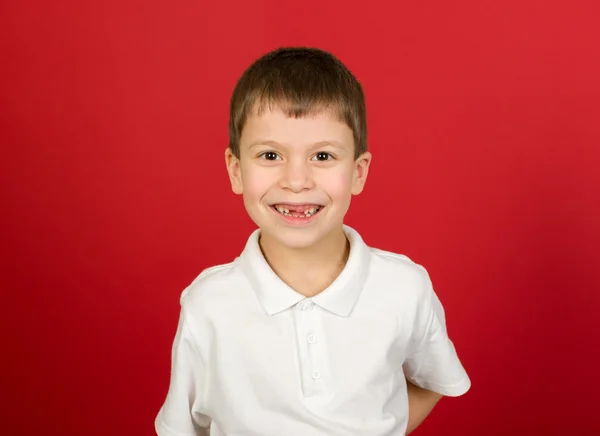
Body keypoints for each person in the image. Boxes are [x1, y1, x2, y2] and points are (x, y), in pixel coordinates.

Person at [155, 46, 471, 436]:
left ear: (357, 172)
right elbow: (184, 427)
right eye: (270, 154)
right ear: (236, 171)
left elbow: (432, 380)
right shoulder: (208, 304)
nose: (297, 180)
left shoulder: (405, 287)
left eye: (322, 156)